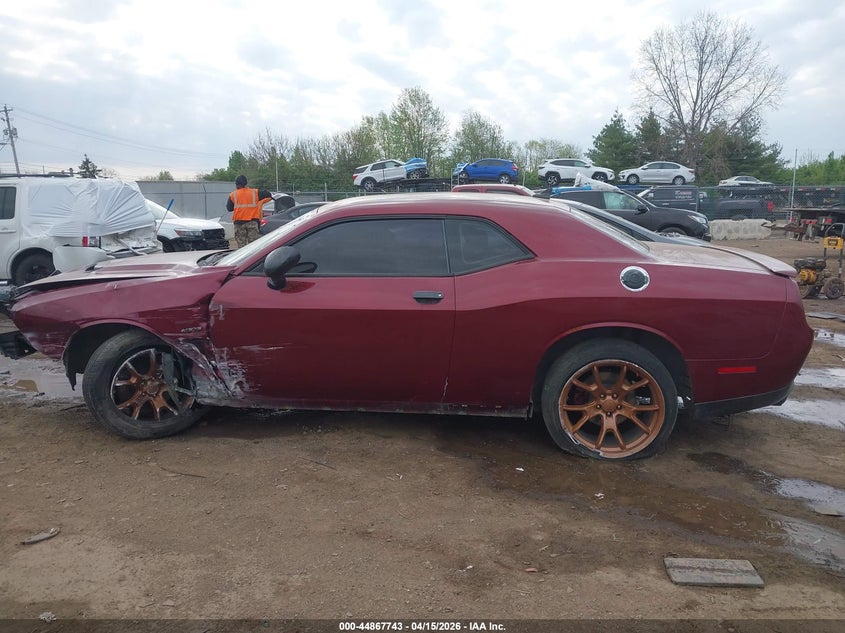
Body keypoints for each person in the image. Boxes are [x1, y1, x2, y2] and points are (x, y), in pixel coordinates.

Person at [227, 175, 272, 248]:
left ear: (236, 184)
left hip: (239, 224)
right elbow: (268, 194)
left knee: (241, 248)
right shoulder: (255, 192)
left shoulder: (233, 195)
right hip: (252, 222)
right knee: (253, 247)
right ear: (246, 183)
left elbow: (229, 208)